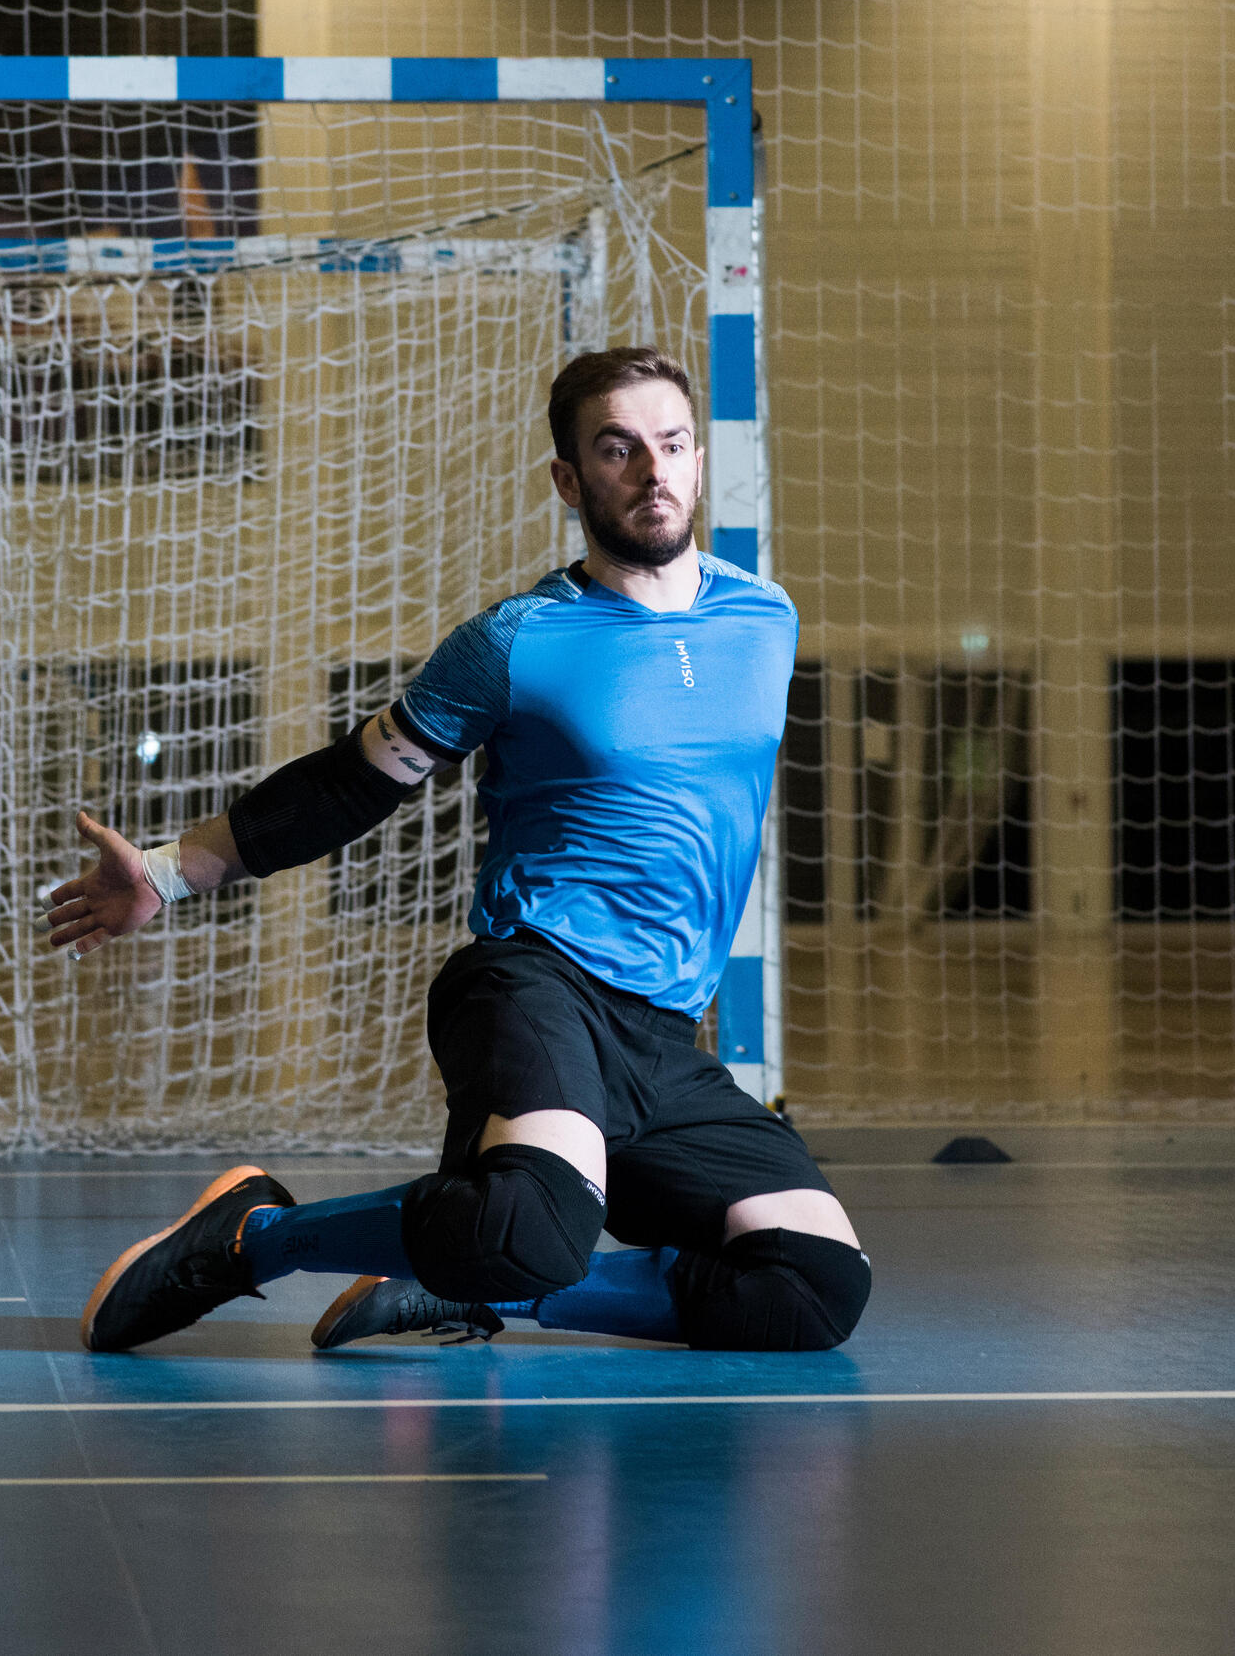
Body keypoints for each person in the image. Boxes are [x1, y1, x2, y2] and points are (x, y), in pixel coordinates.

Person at [48, 345, 871, 1355]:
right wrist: (173, 873)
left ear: (699, 460)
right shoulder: (516, 639)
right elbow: (353, 781)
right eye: (618, 450)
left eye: (670, 444)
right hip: (538, 986)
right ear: (569, 481)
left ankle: (465, 1281)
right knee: (534, 1226)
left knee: (815, 1286)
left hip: (663, 1034)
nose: (652, 473)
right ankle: (253, 1241)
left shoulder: (766, 617)